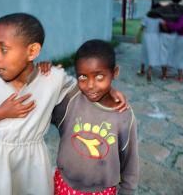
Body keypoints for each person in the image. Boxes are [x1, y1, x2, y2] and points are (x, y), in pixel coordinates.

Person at [0, 13, 127, 195]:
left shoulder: (52, 79)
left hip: (34, 162)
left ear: (32, 51)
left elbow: (86, 87)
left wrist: (108, 90)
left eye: (3, 49)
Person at [50, 40, 139, 195]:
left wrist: (128, 190)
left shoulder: (123, 114)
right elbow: (40, 97)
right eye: (83, 77)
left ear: (115, 72)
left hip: (102, 191)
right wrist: (48, 73)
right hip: (66, 185)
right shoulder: (70, 99)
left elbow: (130, 158)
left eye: (99, 76)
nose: (90, 85)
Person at [153, 0, 183, 79]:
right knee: (176, 54)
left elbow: (161, 22)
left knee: (163, 54)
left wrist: (167, 29)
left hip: (165, 34)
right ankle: (180, 76)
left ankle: (164, 75)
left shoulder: (165, 8)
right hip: (176, 35)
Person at [135, 4, 162, 81]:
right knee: (153, 53)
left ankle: (142, 69)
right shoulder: (160, 19)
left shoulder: (146, 17)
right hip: (156, 37)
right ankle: (149, 71)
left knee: (144, 52)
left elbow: (141, 28)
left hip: (147, 37)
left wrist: (137, 37)